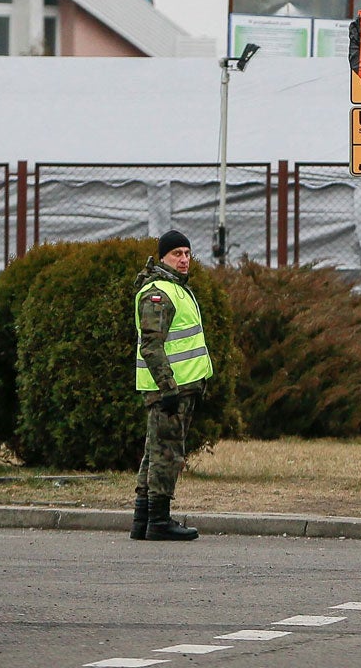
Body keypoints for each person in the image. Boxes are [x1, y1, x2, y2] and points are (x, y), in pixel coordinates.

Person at [132, 230, 212, 542]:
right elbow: (151, 345)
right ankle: (159, 521)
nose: (183, 260)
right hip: (169, 391)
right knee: (166, 453)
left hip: (179, 388)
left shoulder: (176, 289)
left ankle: (143, 519)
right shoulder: (159, 293)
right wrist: (167, 389)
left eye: (187, 254)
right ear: (163, 257)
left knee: (155, 453)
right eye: (176, 254)